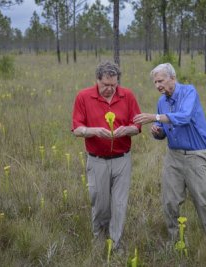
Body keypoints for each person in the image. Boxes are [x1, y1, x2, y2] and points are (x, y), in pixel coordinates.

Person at [133, 63, 206, 242]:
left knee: (202, 200)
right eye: (155, 82)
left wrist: (154, 117)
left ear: (172, 78)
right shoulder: (161, 101)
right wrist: (158, 132)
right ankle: (176, 240)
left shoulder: (189, 92)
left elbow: (184, 117)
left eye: (161, 81)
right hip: (174, 156)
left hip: (196, 155)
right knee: (169, 201)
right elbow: (165, 129)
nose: (158, 85)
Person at [71, 61, 141, 253]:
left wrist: (127, 129)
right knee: (100, 204)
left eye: (113, 85)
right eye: (105, 85)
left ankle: (115, 244)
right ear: (97, 80)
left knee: (119, 204)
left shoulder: (127, 96)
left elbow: (137, 127)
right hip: (97, 160)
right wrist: (94, 131)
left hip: (122, 160)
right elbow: (77, 129)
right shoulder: (84, 97)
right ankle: (99, 241)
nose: (110, 89)